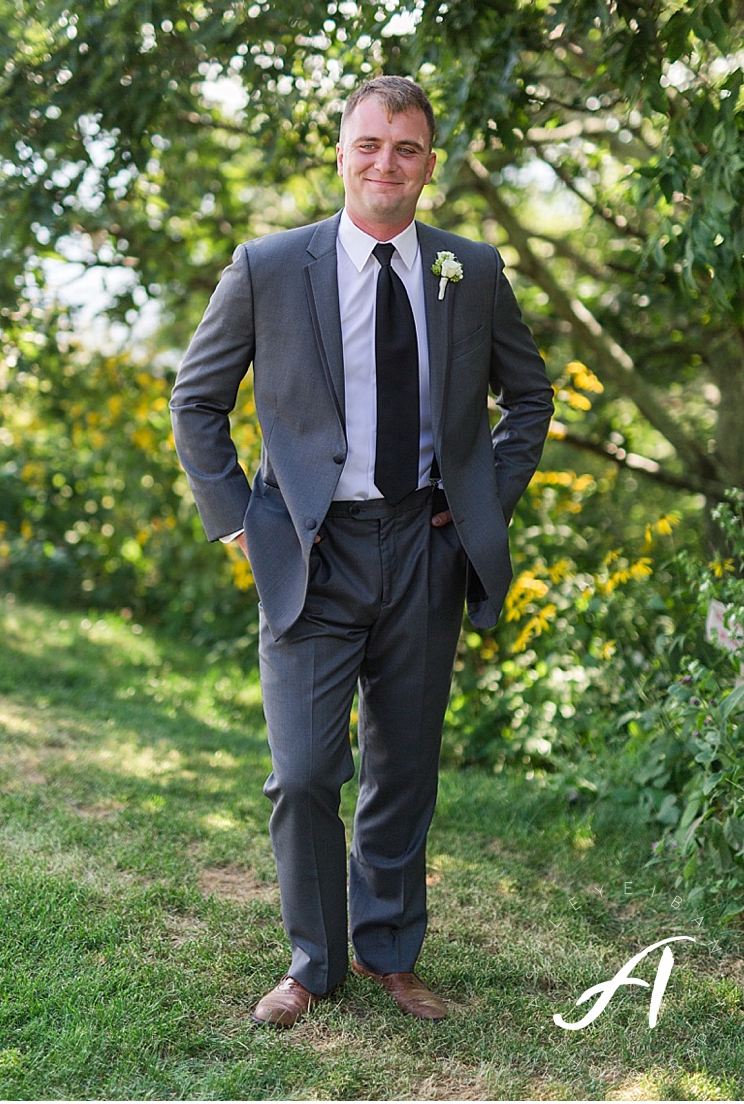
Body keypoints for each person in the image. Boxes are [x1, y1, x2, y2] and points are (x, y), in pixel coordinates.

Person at [169, 75, 552, 1028]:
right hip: (311, 551)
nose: (387, 162)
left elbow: (529, 400)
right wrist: (240, 523)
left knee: (403, 766)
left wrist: (479, 507)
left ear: (429, 165)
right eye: (370, 143)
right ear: (340, 153)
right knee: (302, 772)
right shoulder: (267, 266)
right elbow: (196, 401)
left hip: (425, 545)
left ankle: (390, 953)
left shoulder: (472, 270)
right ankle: (310, 963)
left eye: (407, 148)